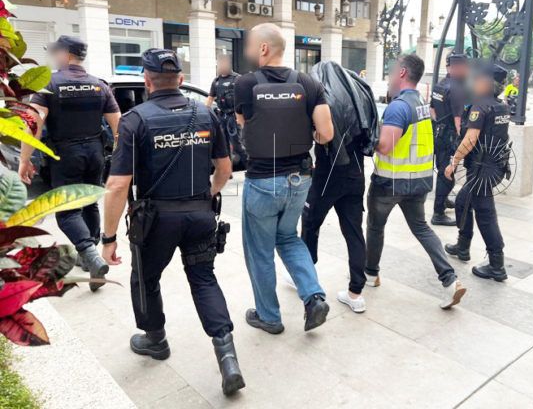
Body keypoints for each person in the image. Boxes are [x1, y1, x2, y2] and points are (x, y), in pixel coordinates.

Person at [101, 49, 245, 396]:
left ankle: (156, 340)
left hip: (156, 222)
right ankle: (228, 359)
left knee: (145, 278)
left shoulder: (135, 120)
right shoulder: (205, 114)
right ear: (180, 79)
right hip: (200, 216)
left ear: (147, 81)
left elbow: (118, 185)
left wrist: (108, 237)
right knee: (204, 279)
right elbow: (225, 169)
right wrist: (208, 195)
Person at [234, 23, 334, 334]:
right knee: (289, 238)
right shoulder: (308, 83)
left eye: (251, 45)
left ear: (263, 48)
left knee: (260, 251)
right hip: (300, 178)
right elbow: (326, 133)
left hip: (264, 179)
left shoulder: (246, 84)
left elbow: (243, 123)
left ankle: (269, 317)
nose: (249, 51)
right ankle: (314, 298)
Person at [19, 35, 120, 291]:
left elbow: (33, 124)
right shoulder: (99, 85)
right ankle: (90, 256)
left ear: (66, 54)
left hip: (66, 155)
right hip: (95, 153)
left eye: (56, 52)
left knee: (67, 211)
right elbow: (118, 125)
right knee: (89, 202)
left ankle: (89, 254)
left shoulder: (49, 84)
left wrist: (25, 160)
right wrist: (120, 155)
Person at [365, 54, 466, 310]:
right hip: (418, 182)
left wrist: (367, 138)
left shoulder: (398, 107)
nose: (389, 76)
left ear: (402, 73)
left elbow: (385, 146)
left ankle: (371, 274)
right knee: (421, 228)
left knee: (375, 227)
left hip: (390, 183)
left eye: (391, 71)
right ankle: (450, 279)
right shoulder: (421, 103)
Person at [444, 61, 511, 282]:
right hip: (494, 167)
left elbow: (470, 139)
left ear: (487, 83)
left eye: (478, 79)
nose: (474, 82)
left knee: (485, 215)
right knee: (463, 201)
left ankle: (497, 265)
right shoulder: (501, 106)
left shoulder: (480, 107)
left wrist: (454, 162)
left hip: (482, 169)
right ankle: (463, 246)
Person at [301, 130, 368, 313]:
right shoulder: (363, 107)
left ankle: (305, 274)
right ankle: (356, 293)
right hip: (356, 170)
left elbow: (323, 135)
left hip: (328, 173)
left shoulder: (327, 108)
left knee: (309, 222)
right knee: (354, 232)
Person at [430, 52, 468, 226]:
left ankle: (443, 200)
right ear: (459, 68)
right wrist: (461, 141)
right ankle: (438, 213)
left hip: (438, 133)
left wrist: (440, 124)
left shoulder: (440, 85)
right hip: (450, 136)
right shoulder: (457, 89)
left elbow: (432, 110)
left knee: (442, 169)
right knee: (448, 174)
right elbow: (458, 121)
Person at [206, 54, 247, 170]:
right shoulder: (216, 81)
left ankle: (251, 167)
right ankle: (228, 171)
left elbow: (245, 98)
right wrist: (203, 112)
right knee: (224, 146)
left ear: (228, 64)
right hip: (221, 117)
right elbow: (210, 98)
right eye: (219, 64)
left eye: (223, 63)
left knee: (237, 145)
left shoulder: (238, 79)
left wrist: (241, 116)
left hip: (234, 117)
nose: (221, 66)